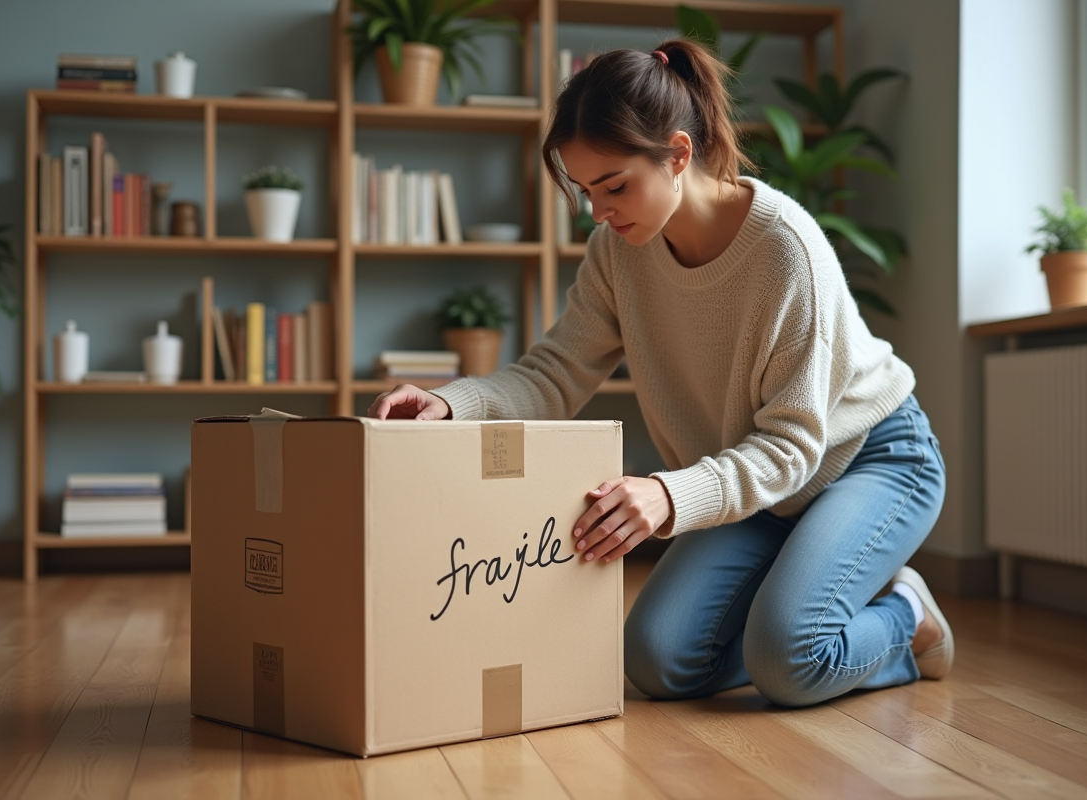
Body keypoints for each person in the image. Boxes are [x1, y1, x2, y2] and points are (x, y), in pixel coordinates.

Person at [368, 39, 951, 707]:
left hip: (866, 459)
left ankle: (907, 616)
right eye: (587, 191)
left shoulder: (786, 250)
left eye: (615, 186)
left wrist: (668, 497)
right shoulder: (617, 253)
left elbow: (794, 446)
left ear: (678, 154)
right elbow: (556, 373)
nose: (601, 211)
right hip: (756, 479)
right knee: (657, 661)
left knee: (788, 660)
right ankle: (800, 598)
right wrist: (454, 404)